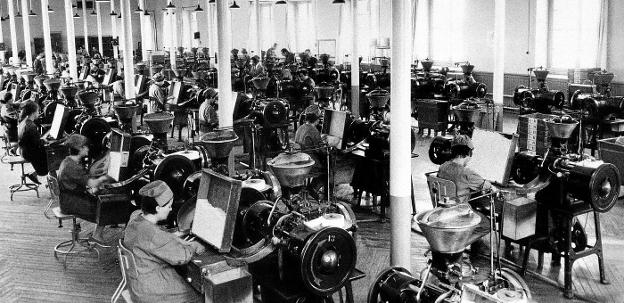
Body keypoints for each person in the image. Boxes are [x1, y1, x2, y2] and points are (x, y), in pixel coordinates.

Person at [123, 180, 205, 303]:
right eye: (168, 206)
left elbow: (156, 237)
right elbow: (182, 256)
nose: (171, 209)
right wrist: (193, 246)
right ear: (157, 208)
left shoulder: (135, 219)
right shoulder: (154, 235)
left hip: (138, 284)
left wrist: (175, 237)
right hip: (153, 292)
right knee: (201, 295)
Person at [57, 134, 112, 243]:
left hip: (68, 199)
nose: (88, 148)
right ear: (80, 148)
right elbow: (92, 183)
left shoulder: (68, 161)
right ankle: (97, 235)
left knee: (103, 200)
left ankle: (97, 234)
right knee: (106, 205)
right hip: (71, 203)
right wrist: (106, 177)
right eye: (86, 146)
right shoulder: (72, 166)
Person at [437, 135, 498, 204]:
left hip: (444, 205)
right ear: (469, 153)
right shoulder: (467, 173)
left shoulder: (442, 166)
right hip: (460, 208)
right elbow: (488, 187)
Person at [17, 101, 48, 182]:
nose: (38, 113)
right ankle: (38, 173)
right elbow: (37, 144)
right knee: (51, 155)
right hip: (28, 153)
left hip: (22, 150)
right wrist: (45, 141)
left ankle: (34, 173)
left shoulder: (25, 121)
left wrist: (41, 140)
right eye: (38, 111)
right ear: (33, 113)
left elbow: (32, 140)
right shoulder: (31, 126)